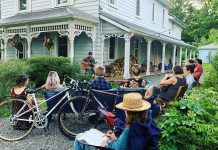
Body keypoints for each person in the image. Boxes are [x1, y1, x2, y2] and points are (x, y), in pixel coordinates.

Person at [73, 93, 160, 150]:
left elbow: (118, 148)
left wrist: (105, 144)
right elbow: (127, 143)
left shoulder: (130, 128)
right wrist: (115, 138)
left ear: (127, 111)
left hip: (110, 147)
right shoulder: (146, 123)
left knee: (79, 137)